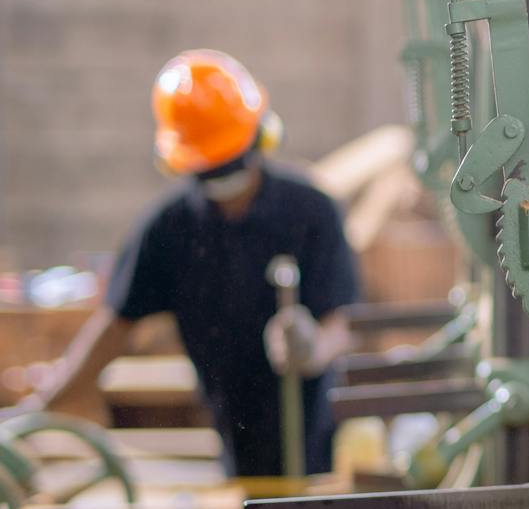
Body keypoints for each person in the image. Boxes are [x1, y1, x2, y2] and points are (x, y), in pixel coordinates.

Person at [21, 50, 358, 478]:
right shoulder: (169, 230)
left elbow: (342, 323)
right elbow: (114, 327)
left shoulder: (312, 211)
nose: (223, 180)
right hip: (231, 433)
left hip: (317, 440)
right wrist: (42, 408)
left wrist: (313, 348)